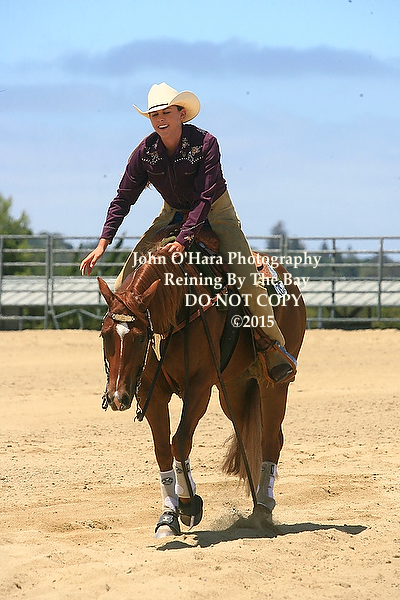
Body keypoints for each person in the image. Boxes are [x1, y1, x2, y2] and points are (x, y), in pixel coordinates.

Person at [80, 82, 296, 383]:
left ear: (181, 114)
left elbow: (205, 198)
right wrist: (103, 242)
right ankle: (136, 354)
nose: (160, 119)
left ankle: (273, 348)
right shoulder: (145, 152)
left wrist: (183, 239)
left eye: (166, 112)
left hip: (217, 213)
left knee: (248, 283)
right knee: (122, 284)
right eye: (154, 115)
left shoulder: (206, 143)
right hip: (172, 213)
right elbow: (123, 198)